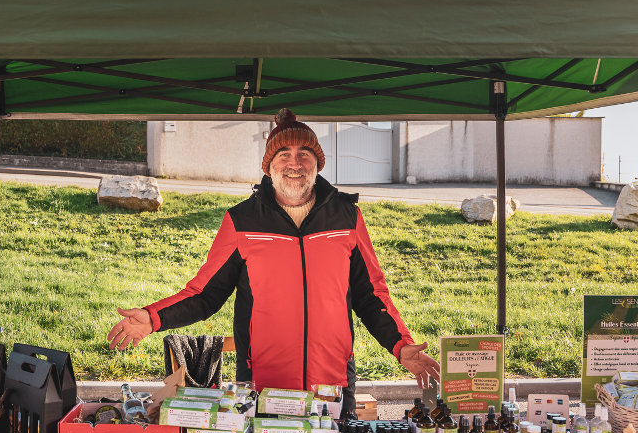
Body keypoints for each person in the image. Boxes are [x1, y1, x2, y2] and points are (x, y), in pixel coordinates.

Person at [108, 108, 440, 415]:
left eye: (304, 154)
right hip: (262, 382)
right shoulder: (241, 221)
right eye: (284, 155)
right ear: (269, 166)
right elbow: (205, 294)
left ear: (317, 163)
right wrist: (153, 318)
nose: (294, 163)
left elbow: (372, 294)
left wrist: (401, 345)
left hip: (333, 382)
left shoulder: (347, 217)